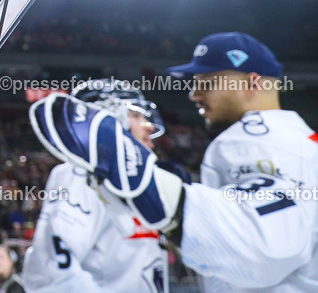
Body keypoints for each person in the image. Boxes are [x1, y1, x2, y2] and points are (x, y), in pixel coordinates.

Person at [29, 32, 318, 293]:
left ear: (252, 82)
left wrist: (166, 197)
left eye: (209, 82)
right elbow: (51, 273)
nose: (194, 94)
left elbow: (264, 244)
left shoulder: (254, 137)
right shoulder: (298, 141)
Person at [23, 79, 169, 292]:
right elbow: (51, 272)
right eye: (136, 116)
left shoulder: (138, 179)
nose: (149, 126)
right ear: (108, 119)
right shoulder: (81, 174)